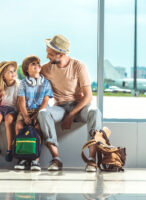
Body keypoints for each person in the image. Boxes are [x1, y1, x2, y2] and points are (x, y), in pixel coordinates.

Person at [38, 34, 102, 172]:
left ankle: (91, 160)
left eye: (50, 54)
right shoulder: (45, 69)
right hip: (60, 107)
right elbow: (31, 83)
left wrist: (71, 115)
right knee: (43, 113)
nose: (47, 56)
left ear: (60, 54)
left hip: (79, 107)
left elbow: (88, 96)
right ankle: (56, 158)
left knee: (95, 112)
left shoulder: (79, 66)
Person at [14, 55, 53, 171]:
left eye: (38, 64)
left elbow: (46, 101)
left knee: (37, 128)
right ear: (26, 69)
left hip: (40, 110)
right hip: (26, 110)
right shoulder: (22, 83)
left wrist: (37, 114)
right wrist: (25, 116)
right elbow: (21, 101)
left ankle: (35, 159)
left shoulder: (46, 82)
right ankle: (22, 157)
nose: (37, 66)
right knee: (19, 126)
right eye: (33, 64)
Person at [0, 61, 18, 162]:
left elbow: (19, 103)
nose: (13, 73)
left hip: (12, 109)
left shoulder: (18, 86)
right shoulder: (1, 87)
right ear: (3, 76)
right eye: (9, 72)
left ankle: (9, 149)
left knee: (8, 121)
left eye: (14, 71)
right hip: (1, 108)